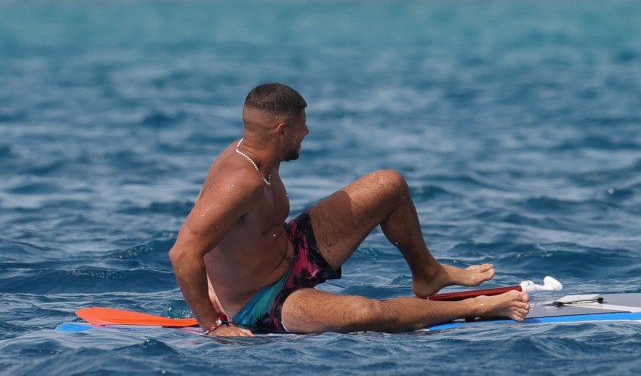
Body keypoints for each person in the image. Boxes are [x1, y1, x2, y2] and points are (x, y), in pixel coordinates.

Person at [169, 83, 530, 336]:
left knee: (389, 184)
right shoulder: (238, 181)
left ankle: (428, 273)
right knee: (363, 314)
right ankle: (478, 306)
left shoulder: (259, 152)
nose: (307, 131)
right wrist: (214, 324)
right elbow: (184, 251)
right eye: (301, 125)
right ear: (280, 131)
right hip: (262, 302)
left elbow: (228, 237)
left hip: (290, 252)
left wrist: (216, 281)